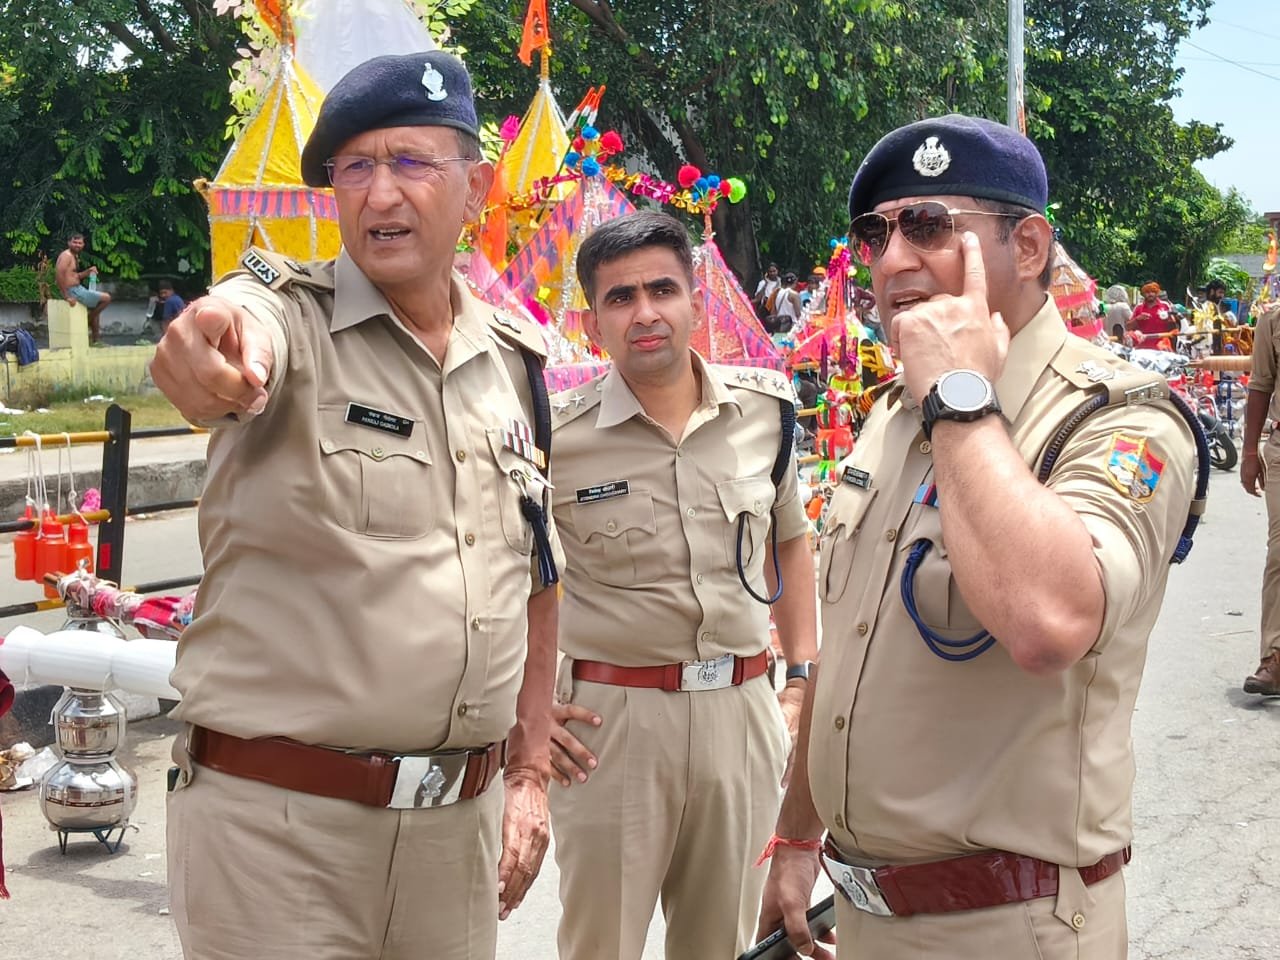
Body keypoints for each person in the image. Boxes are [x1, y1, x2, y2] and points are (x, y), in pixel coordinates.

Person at [149, 51, 560, 960]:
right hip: (280, 837)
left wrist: (530, 774)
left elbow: (537, 580)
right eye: (355, 168)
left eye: (411, 162)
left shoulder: (515, 366)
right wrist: (209, 347)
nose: (381, 194)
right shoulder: (291, 321)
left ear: (475, 186)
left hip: (455, 839)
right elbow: (232, 329)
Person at [756, 114, 1197, 960]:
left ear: (1026, 247)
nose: (892, 260)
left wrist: (960, 396)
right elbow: (850, 652)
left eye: (928, 226)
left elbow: (1047, 623)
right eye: (875, 234)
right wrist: (797, 836)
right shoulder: (895, 413)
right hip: (862, 914)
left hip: (1009, 925)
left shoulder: (1116, 417)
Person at [541, 210, 818, 960]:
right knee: (601, 945)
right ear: (593, 322)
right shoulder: (555, 436)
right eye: (620, 297)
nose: (645, 313)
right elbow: (506, 575)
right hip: (611, 724)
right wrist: (522, 711)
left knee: (722, 945)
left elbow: (790, 541)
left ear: (696, 302)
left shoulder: (765, 413)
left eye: (662, 290)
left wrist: (801, 677)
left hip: (741, 712)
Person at [1241, 301, 1280, 696]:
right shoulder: (1273, 319)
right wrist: (1249, 452)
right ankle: (1274, 657)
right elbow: (1260, 384)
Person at [55, 232, 113, 343]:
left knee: (96, 307)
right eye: (75, 242)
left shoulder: (74, 256)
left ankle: (96, 341)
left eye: (79, 243)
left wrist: (88, 271)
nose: (77, 245)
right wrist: (66, 296)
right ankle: (87, 321)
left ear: (83, 244)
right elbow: (59, 275)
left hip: (78, 289)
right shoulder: (66, 256)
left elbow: (74, 276)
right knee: (107, 298)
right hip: (73, 291)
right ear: (69, 243)